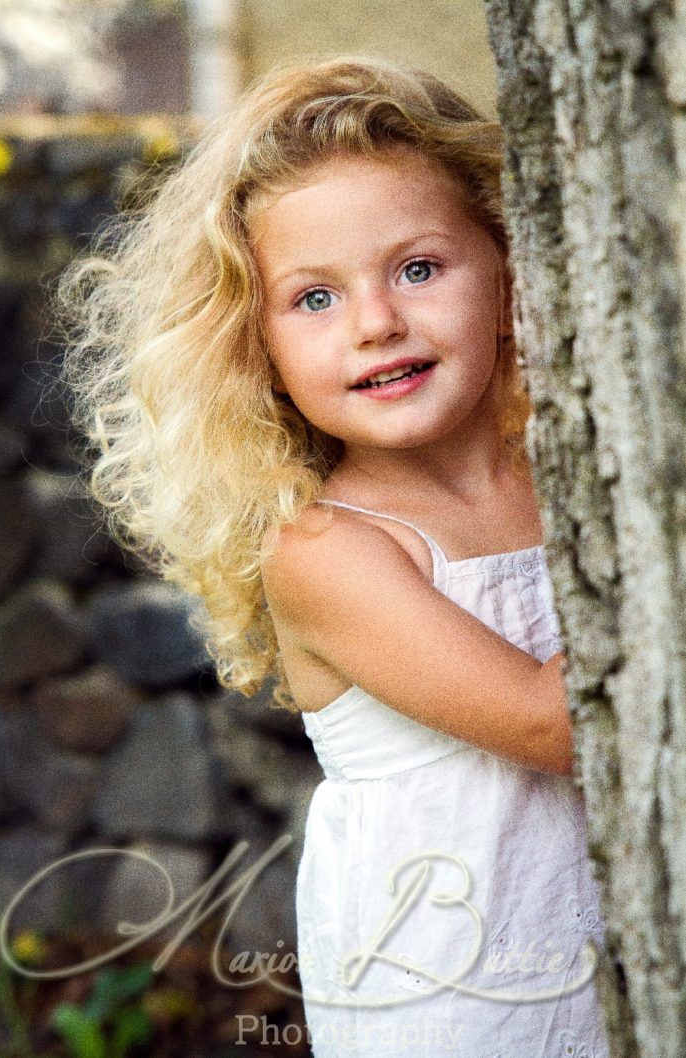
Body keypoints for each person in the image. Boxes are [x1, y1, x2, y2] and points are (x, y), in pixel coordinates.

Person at [56, 56, 609, 1057]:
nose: (377, 321)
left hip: (613, 947)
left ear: (509, 264)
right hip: (456, 991)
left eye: (419, 267)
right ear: (252, 346)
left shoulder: (577, 474)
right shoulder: (329, 549)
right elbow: (552, 718)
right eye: (314, 298)